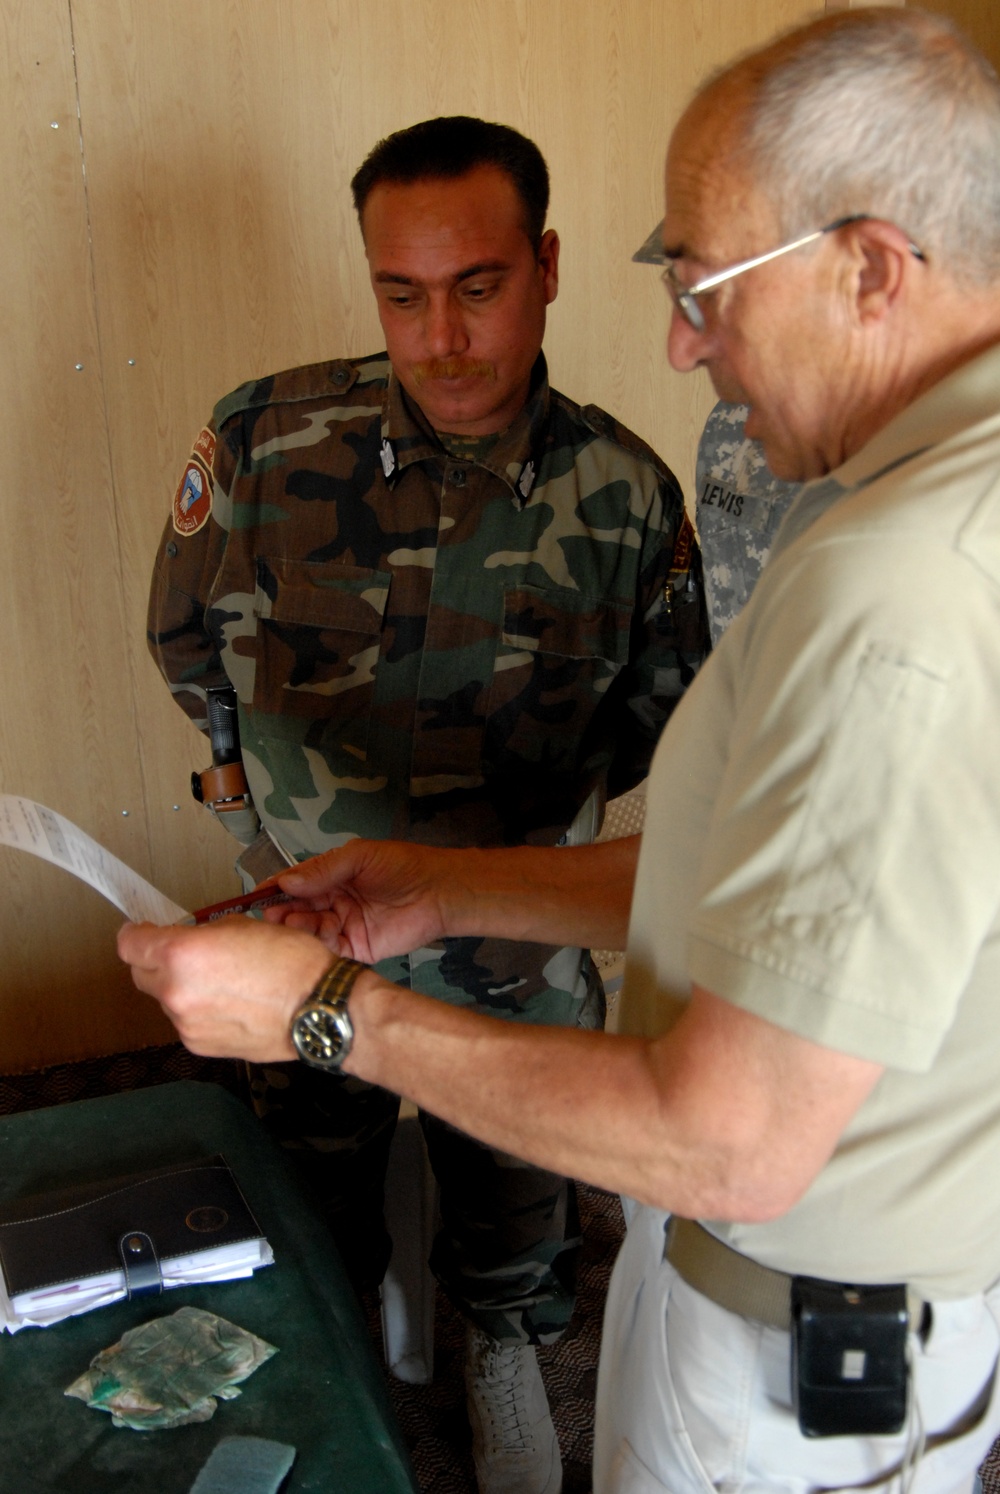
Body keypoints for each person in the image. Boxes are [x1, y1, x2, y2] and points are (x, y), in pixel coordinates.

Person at [123, 10, 1000, 1491]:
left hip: (788, 1333)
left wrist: (330, 1007)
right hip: (800, 1289)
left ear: (870, 268)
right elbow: (773, 884)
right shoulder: (917, 510)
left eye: (706, 283)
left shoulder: (898, 586)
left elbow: (731, 1144)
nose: (681, 339)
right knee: (310, 1210)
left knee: (508, 1243)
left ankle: (489, 1346)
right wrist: (434, 887)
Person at [147, 115, 705, 1494]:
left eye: (478, 288)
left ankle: (500, 1341)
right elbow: (182, 643)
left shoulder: (623, 490)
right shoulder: (266, 440)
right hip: (312, 907)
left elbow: (667, 710)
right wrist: (252, 830)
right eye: (403, 295)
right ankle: (342, 1354)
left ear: (549, 265)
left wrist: (541, 850)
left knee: (516, 1184)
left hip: (513, 928)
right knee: (305, 1186)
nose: (442, 336)